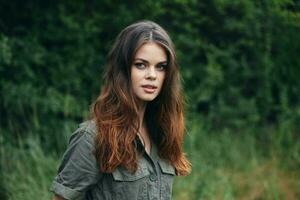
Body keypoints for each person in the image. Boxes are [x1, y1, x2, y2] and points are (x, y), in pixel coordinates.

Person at [50, 20, 191, 200]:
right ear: (123, 69)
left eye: (160, 67)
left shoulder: (162, 133)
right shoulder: (93, 137)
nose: (152, 75)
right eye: (141, 64)